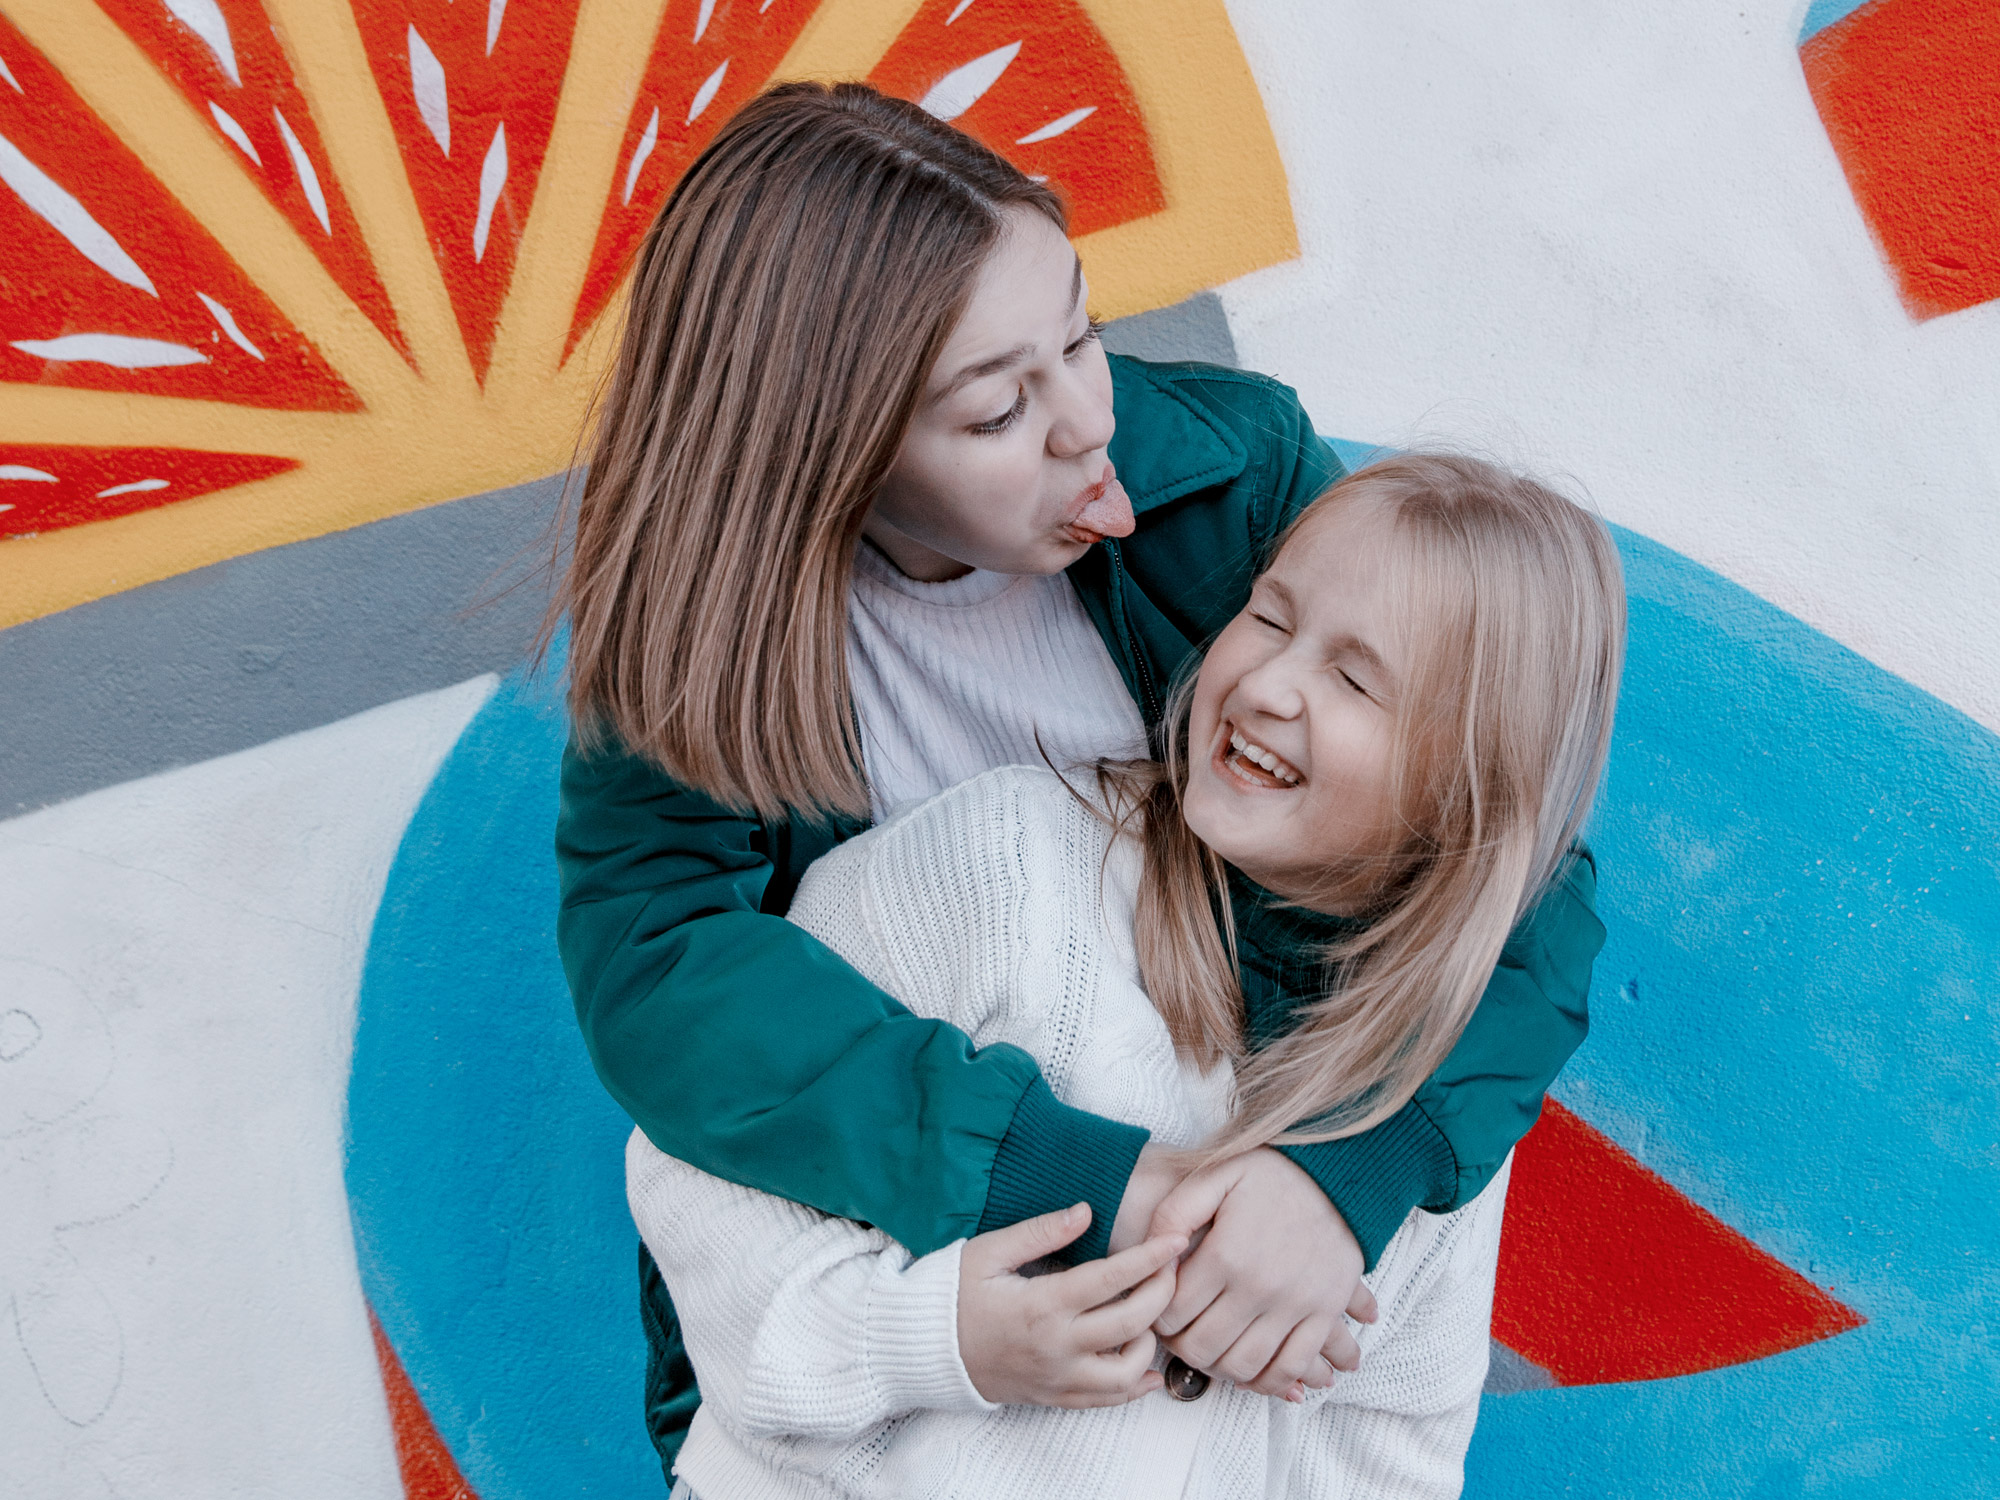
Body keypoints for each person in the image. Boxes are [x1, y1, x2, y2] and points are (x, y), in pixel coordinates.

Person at [553, 82, 1608, 1475]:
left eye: (1080, 335)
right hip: (897, 1353)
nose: (1085, 426)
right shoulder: (700, 650)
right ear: (829, 447)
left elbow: (1496, 852)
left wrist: (1345, 1172)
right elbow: (665, 985)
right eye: (999, 408)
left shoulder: (1226, 483)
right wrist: (1058, 1180)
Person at [628, 452, 1628, 1500]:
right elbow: (696, 1163)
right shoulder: (1003, 864)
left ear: (1464, 789)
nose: (1266, 684)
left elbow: (1391, 1452)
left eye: (1354, 679)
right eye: (1269, 617)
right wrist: (939, 1339)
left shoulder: (1431, 1118)